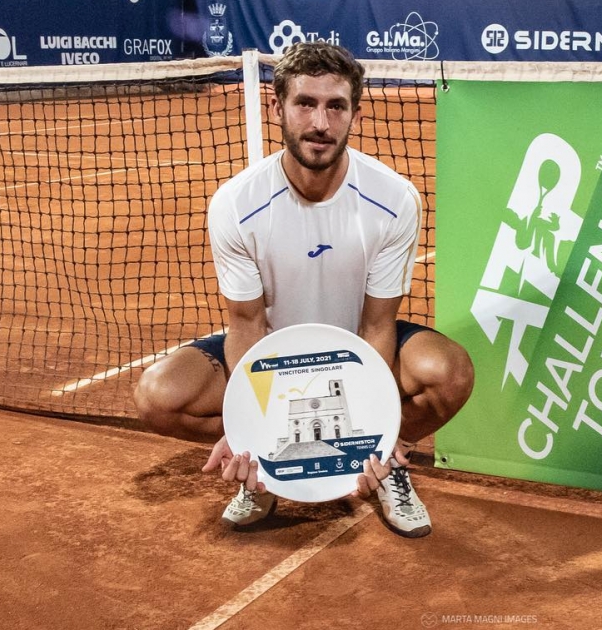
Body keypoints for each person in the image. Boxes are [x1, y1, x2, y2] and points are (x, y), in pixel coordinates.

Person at [133, 41, 474, 538]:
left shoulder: (394, 199)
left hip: (356, 343)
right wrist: (256, 436)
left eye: (336, 106)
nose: (321, 123)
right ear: (278, 107)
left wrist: (367, 433)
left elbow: (376, 325)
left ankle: (381, 463)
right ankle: (263, 473)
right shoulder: (236, 204)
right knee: (157, 395)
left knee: (449, 372)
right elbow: (247, 326)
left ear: (355, 111)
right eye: (305, 103)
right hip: (272, 349)